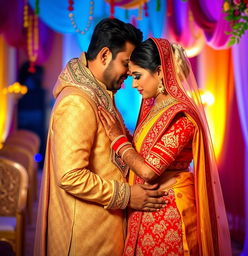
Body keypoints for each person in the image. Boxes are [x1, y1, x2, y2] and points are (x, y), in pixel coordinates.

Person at [34, 19, 167, 256]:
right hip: (85, 238)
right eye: (125, 63)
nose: (129, 72)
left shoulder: (100, 91)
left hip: (103, 230)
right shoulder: (78, 101)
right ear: (105, 55)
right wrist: (128, 196)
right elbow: (70, 175)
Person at [98, 38, 232, 255]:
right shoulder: (155, 108)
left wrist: (117, 139)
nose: (133, 84)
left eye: (138, 76)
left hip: (168, 211)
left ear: (160, 72)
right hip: (149, 206)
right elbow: (142, 150)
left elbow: (149, 170)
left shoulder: (181, 115)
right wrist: (119, 128)